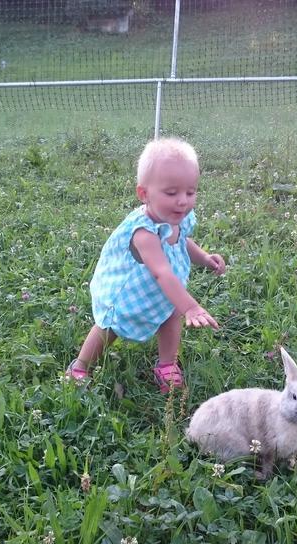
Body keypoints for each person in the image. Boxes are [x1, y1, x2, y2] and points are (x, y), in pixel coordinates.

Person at [64, 138, 225, 393]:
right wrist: (191, 307)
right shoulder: (144, 233)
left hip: (164, 289)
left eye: (190, 192)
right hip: (130, 292)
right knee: (109, 327)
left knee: (171, 315)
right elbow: (161, 272)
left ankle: (166, 365)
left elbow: (182, 240)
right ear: (144, 194)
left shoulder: (176, 216)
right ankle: (81, 366)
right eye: (171, 193)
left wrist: (204, 258)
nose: (182, 201)